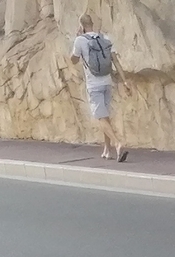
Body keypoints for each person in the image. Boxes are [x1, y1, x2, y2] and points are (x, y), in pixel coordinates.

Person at [65, 16, 125, 163]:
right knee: (105, 116)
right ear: (92, 24)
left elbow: (73, 60)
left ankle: (117, 143)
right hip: (107, 82)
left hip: (94, 85)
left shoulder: (80, 40)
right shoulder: (105, 37)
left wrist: (77, 37)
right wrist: (125, 80)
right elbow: (115, 60)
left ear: (81, 25)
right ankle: (107, 149)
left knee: (100, 117)